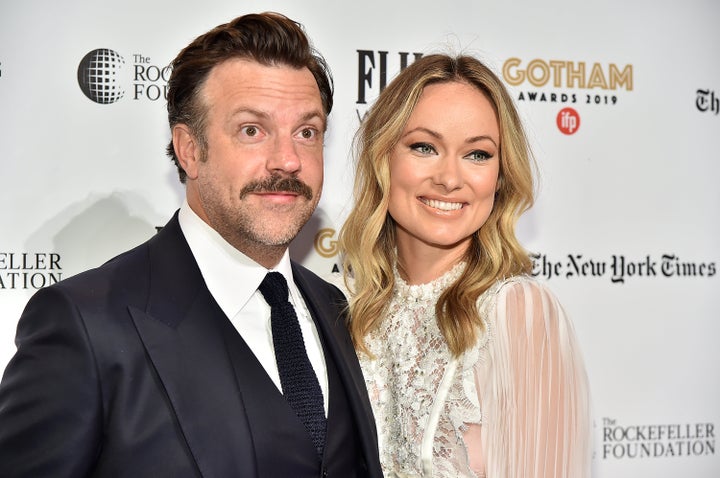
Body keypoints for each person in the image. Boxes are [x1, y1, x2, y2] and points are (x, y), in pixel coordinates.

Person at [0, 12, 382, 478]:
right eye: (251, 130)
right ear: (189, 149)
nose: (288, 160)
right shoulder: (87, 326)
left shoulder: (333, 306)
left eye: (307, 132)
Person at [339, 53, 591, 477]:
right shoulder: (351, 306)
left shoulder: (519, 313)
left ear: (501, 176)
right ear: (384, 158)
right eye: (424, 147)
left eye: (477, 154)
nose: (450, 178)